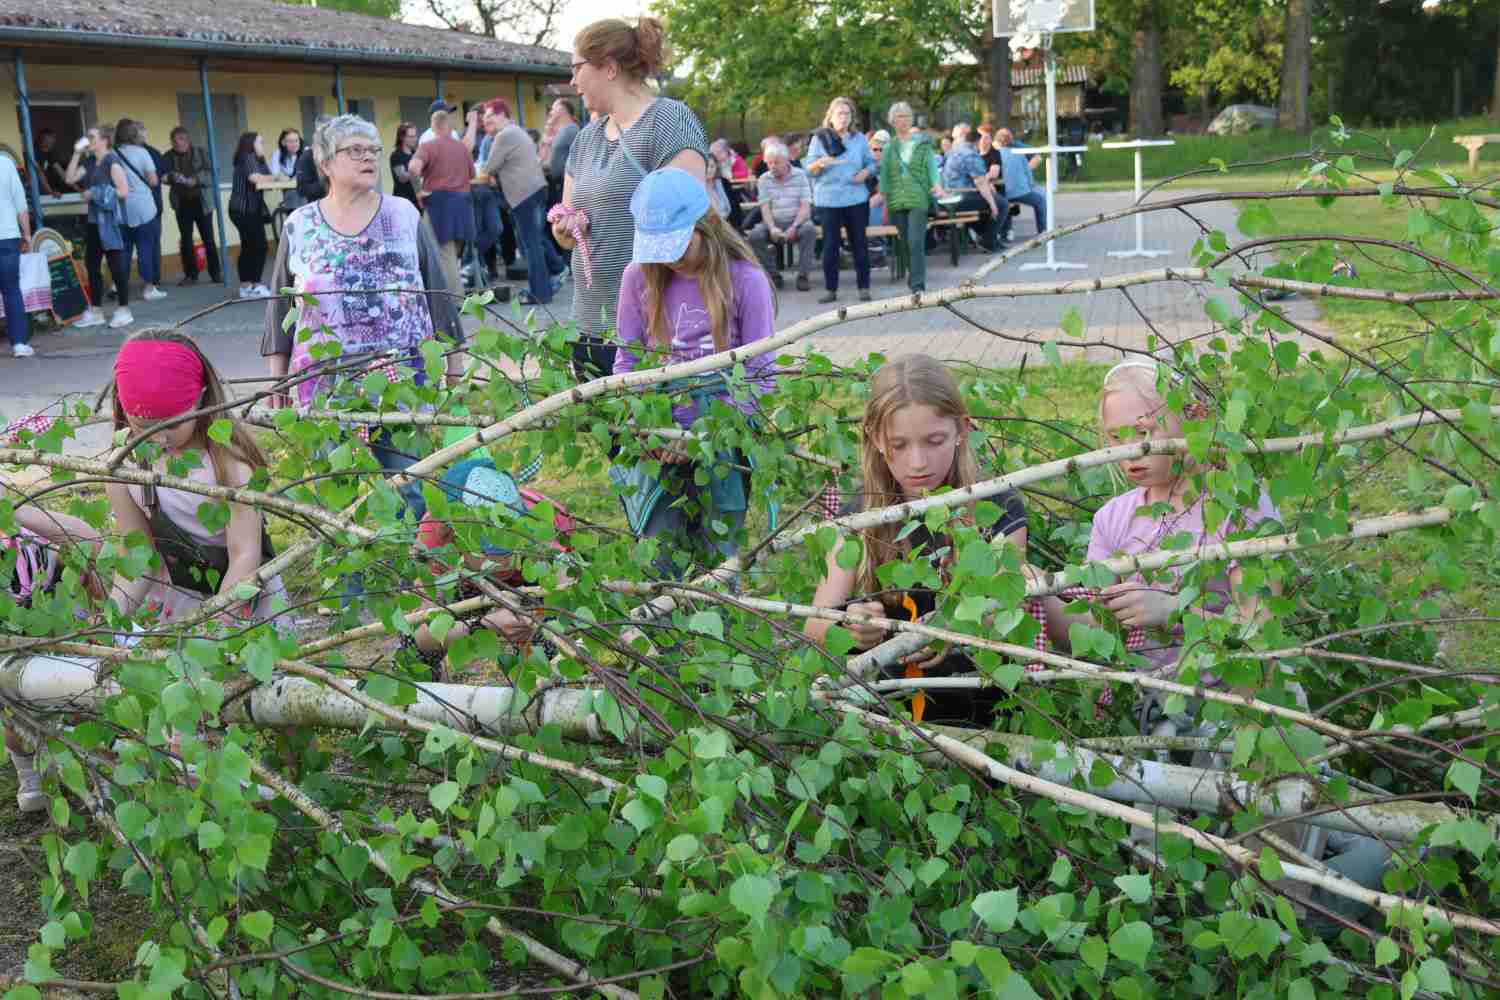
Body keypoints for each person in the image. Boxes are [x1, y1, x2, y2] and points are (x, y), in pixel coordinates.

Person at [804, 354, 1028, 722]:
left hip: (982, 710)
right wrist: (848, 626)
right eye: (900, 445)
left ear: (962, 430)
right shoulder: (861, 516)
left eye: (934, 440)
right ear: (876, 439)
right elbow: (814, 626)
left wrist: (954, 628)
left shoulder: (997, 507)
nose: (918, 462)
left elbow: (1010, 608)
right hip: (888, 717)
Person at [261, 114, 464, 513]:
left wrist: (454, 369)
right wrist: (276, 380)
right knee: (337, 500)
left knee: (413, 489)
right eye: (354, 150)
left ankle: (412, 572)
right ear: (325, 163)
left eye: (372, 150)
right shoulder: (299, 226)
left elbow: (438, 295)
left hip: (403, 381)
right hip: (326, 386)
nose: (367, 157)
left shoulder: (404, 214)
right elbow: (280, 309)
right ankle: (355, 574)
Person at [611, 167, 776, 577]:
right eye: (660, 249)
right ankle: (663, 637)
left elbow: (761, 378)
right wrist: (644, 426)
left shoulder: (746, 281)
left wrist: (705, 435)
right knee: (658, 553)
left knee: (717, 557)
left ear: (708, 225)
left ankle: (722, 631)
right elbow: (626, 363)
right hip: (657, 444)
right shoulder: (638, 279)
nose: (670, 259)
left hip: (722, 445)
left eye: (680, 247)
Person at [550, 16, 711, 379]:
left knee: (658, 433)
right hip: (590, 324)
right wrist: (565, 226)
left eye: (577, 68)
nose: (572, 82)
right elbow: (564, 233)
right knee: (608, 436)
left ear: (608, 67)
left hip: (655, 328)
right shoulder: (585, 139)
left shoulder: (669, 121)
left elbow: (691, 231)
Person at [105, 330, 289, 625]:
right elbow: (138, 552)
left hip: (238, 599)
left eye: (172, 424)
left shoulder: (231, 468)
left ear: (201, 399)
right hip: (176, 599)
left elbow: (245, 555)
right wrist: (112, 618)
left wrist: (210, 629)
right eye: (143, 424)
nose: (159, 436)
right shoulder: (124, 465)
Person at [2, 505, 106, 810]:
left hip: (56, 606)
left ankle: (102, 765)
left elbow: (89, 540)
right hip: (10, 631)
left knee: (88, 685)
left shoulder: (22, 527)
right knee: (12, 697)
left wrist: (15, 509)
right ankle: (29, 767)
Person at [483, 99, 567, 305]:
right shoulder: (516, 131)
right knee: (535, 239)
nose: (486, 123)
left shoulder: (504, 135)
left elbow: (490, 167)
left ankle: (540, 293)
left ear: (502, 114)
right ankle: (558, 268)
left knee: (531, 245)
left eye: (489, 118)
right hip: (536, 190)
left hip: (524, 196)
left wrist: (485, 174)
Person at [806, 96, 876, 304]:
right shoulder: (820, 139)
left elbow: (872, 164)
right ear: (831, 116)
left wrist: (865, 173)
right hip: (828, 200)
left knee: (860, 243)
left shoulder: (860, 139)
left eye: (847, 114)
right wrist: (820, 163)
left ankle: (864, 287)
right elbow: (809, 170)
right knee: (830, 245)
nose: (843, 118)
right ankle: (831, 289)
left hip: (856, 198)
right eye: (840, 113)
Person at [408, 100, 476, 299]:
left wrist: (419, 191)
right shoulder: (462, 148)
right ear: (449, 125)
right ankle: (450, 294)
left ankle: (454, 298)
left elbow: (413, 169)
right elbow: (471, 174)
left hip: (439, 204)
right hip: (462, 203)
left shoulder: (428, 146)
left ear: (433, 125)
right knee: (452, 252)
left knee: (441, 252)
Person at [64, 127, 132, 330]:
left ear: (104, 140)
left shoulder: (112, 161)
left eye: (91, 137)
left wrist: (95, 192)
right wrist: (76, 153)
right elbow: (69, 179)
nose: (88, 140)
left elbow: (123, 191)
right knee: (92, 266)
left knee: (116, 266)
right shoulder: (90, 162)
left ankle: (124, 310)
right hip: (94, 222)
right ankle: (96, 311)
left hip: (111, 223)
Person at [880, 103, 944, 293]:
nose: (904, 120)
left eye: (907, 116)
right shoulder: (889, 147)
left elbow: (931, 166)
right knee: (905, 242)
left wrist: (937, 185)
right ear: (892, 121)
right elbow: (884, 176)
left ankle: (918, 285)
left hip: (918, 198)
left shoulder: (922, 144)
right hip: (896, 200)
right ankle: (913, 275)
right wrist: (883, 201)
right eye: (899, 116)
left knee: (916, 241)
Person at [746, 143, 814, 292]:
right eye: (769, 163)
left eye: (776, 162)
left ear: (786, 160)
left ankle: (803, 275)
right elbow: (765, 207)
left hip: (797, 220)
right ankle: (773, 275)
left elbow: (805, 206)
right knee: (755, 236)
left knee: (809, 230)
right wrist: (771, 227)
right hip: (774, 221)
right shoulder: (764, 179)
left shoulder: (800, 175)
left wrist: (794, 226)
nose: (772, 166)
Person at [113, 119, 167, 302]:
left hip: (121, 208)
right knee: (146, 247)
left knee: (124, 250)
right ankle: (149, 288)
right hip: (143, 208)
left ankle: (121, 287)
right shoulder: (142, 152)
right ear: (134, 134)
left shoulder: (111, 154)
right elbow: (153, 181)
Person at [163, 127, 223, 287]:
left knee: (208, 238)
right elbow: (161, 174)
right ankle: (190, 275)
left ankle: (216, 273)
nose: (178, 144)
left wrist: (196, 179)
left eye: (181, 140)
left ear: (187, 140)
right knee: (186, 241)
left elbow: (214, 171)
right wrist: (171, 177)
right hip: (181, 202)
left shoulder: (201, 152)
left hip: (201, 201)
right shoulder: (169, 156)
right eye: (174, 141)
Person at [940, 123, 1002, 252]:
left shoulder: (954, 150)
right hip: (960, 197)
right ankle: (987, 242)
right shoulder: (971, 155)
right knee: (1001, 203)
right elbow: (980, 182)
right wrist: (992, 203)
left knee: (987, 202)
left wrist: (988, 187)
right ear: (977, 142)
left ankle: (988, 239)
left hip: (948, 195)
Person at [228, 131, 273, 299]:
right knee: (258, 245)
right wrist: (275, 177)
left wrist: (271, 177)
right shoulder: (247, 156)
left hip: (250, 209)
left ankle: (246, 285)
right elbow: (256, 178)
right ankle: (255, 284)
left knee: (249, 246)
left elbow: (266, 178)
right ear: (251, 144)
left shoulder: (257, 159)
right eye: (260, 142)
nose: (263, 145)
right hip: (244, 209)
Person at [0, 149, 33, 357]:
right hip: (8, 236)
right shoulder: (6, 164)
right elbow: (21, 204)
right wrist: (27, 235)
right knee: (11, 290)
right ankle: (19, 344)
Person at [471, 105, 506, 286]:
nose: (484, 122)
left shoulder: (493, 137)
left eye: (487, 118)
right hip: (478, 189)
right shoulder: (477, 137)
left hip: (492, 191)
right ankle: (478, 265)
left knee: (495, 229)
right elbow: (485, 165)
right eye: (483, 119)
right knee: (483, 229)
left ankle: (480, 262)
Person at [997, 127, 1047, 240]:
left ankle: (1006, 232)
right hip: (1020, 192)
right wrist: (1029, 185)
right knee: (1040, 201)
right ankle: (1042, 231)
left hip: (1003, 192)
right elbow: (1028, 175)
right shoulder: (1019, 154)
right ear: (1011, 140)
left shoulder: (996, 155)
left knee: (1006, 202)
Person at [545, 98, 579, 197]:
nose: (551, 112)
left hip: (565, 184)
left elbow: (580, 158)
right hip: (558, 184)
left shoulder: (571, 129)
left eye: (553, 108)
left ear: (561, 110)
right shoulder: (562, 131)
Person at [295, 115, 331, 204]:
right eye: (321, 131)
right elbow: (302, 189)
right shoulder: (307, 156)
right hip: (318, 206)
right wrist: (329, 184)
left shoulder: (341, 154)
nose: (325, 135)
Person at [272, 128, 306, 213]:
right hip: (289, 197)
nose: (294, 144)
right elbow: (275, 173)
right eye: (290, 141)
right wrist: (281, 176)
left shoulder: (306, 152)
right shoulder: (278, 154)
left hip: (306, 196)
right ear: (283, 142)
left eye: (296, 140)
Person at [389, 122, 420, 210]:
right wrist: (419, 170)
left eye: (415, 136)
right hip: (402, 202)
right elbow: (402, 177)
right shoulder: (396, 155)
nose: (415, 139)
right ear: (402, 138)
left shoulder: (416, 154)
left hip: (417, 201)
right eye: (411, 137)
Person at [32, 129, 70, 196]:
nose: (51, 142)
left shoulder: (50, 153)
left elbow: (61, 173)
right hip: (36, 187)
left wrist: (78, 189)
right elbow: (39, 173)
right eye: (48, 140)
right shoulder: (33, 152)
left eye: (52, 139)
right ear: (42, 139)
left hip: (47, 186)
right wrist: (51, 192)